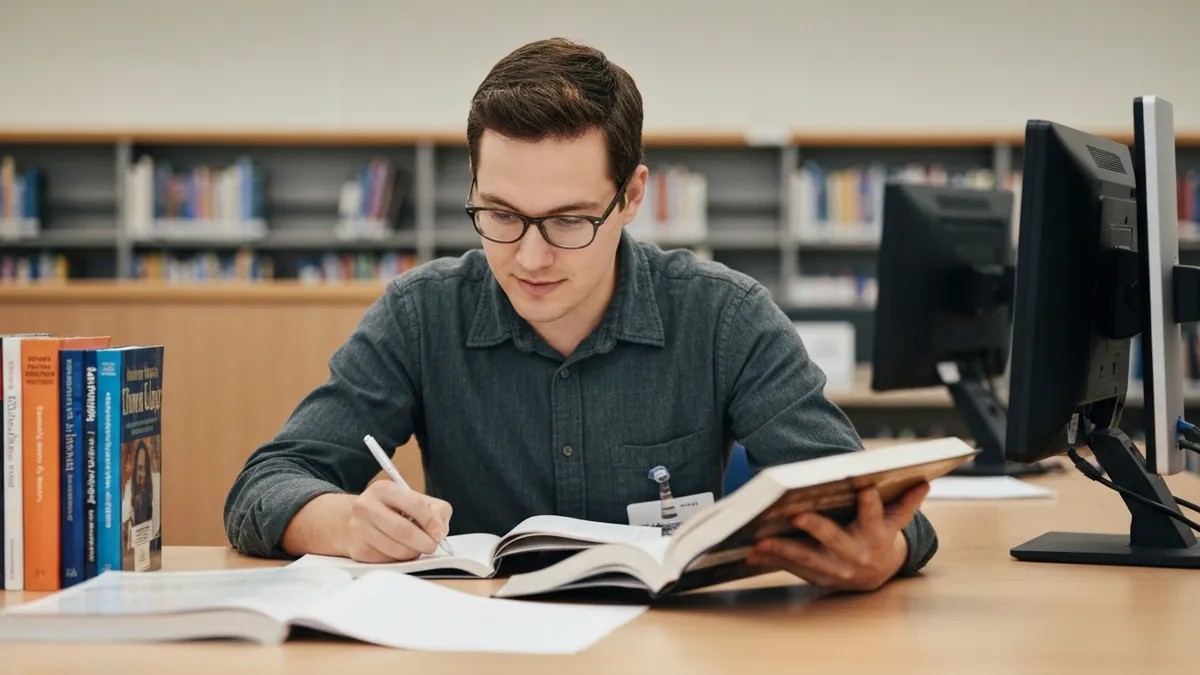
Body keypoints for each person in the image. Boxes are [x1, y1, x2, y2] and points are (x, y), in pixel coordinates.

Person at [224, 37, 937, 592]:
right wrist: (348, 521)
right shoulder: (421, 314)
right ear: (472, 186)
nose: (530, 257)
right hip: (479, 647)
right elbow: (265, 484)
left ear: (631, 196)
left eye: (568, 221)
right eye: (500, 214)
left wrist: (885, 550)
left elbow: (878, 506)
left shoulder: (725, 317)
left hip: (679, 646)